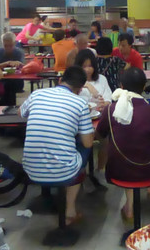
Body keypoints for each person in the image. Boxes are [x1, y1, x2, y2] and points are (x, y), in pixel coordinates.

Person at [20, 66, 94, 224]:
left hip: (30, 170)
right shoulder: (80, 103)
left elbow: (22, 113)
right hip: (64, 173)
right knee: (85, 145)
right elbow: (88, 142)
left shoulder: (37, 94)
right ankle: (70, 210)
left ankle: (48, 193)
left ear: (60, 80)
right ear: (80, 89)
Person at [95, 67, 150, 222]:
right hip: (145, 170)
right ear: (144, 86)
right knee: (142, 155)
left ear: (121, 86)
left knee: (126, 156)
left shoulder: (110, 109)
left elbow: (99, 135)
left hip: (116, 170)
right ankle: (149, 187)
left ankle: (129, 207)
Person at [0, 32, 26, 105]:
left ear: (14, 43)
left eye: (10, 45)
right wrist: (6, 63)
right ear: (2, 44)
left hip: (16, 81)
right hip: (2, 79)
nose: (8, 48)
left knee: (8, 86)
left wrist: (19, 64)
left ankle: (8, 106)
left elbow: (24, 68)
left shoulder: (19, 52)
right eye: (5, 45)